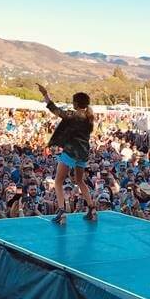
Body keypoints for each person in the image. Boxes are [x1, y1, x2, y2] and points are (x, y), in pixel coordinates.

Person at [36, 85, 95, 224]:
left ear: (76, 103)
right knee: (80, 181)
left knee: (58, 182)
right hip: (84, 153)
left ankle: (62, 212)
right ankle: (92, 209)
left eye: (73, 101)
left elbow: (55, 110)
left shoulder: (73, 115)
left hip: (71, 152)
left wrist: (45, 94)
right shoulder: (89, 117)